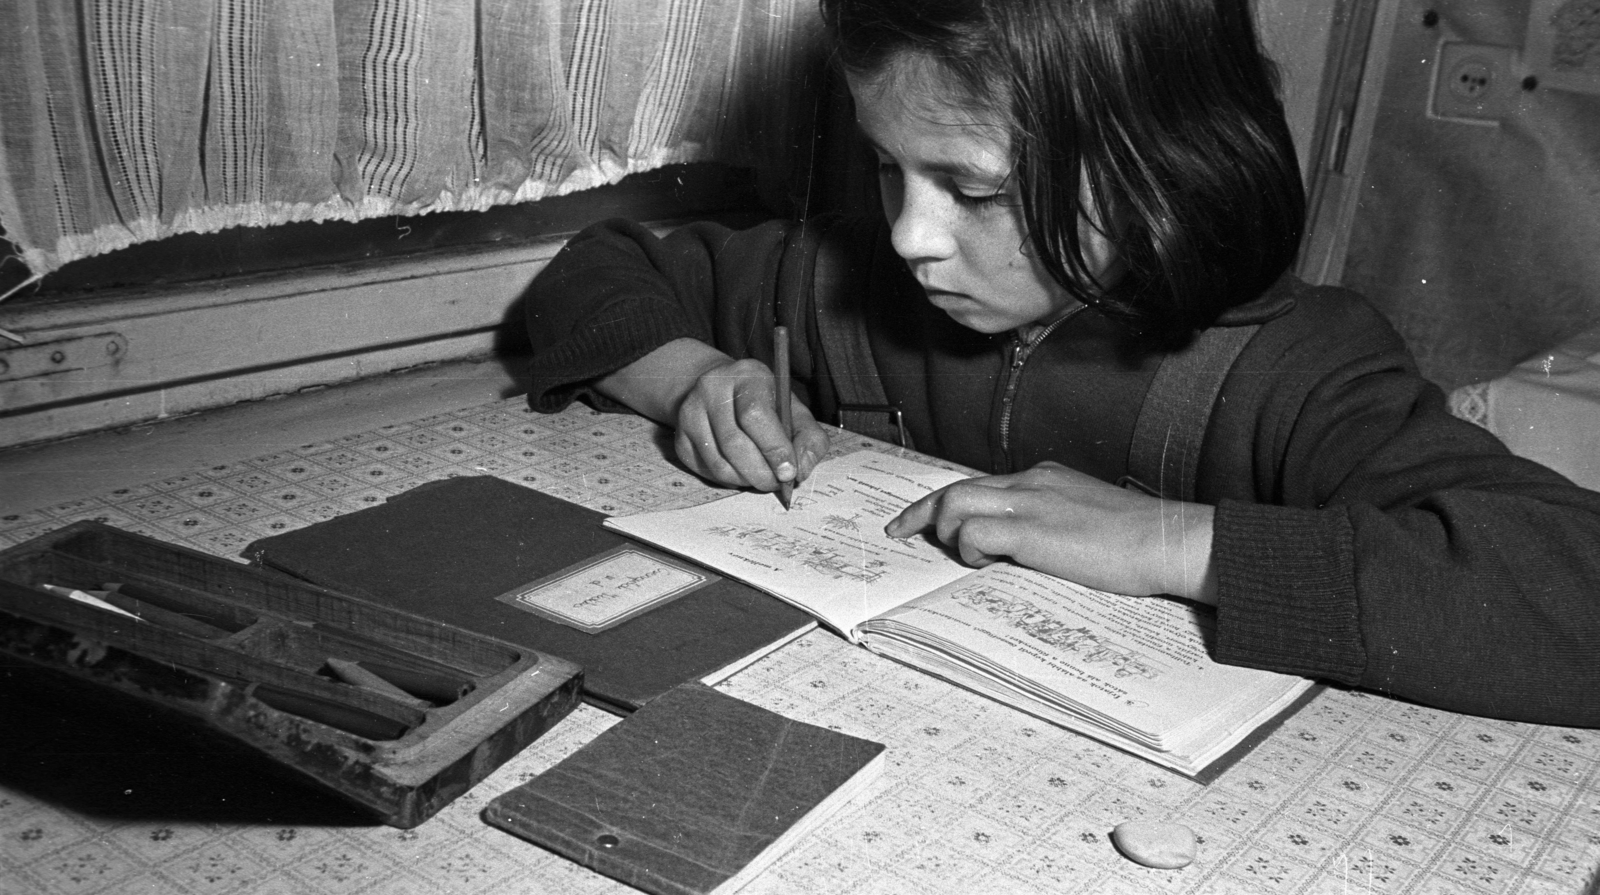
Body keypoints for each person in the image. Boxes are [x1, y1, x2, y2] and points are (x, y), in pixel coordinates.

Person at [525, 0, 1600, 724]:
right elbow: (595, 272)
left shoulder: (1298, 369)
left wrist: (1181, 541)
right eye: (888, 169)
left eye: (974, 189)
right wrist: (691, 379)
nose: (909, 236)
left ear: (1155, 161)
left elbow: (1574, 585)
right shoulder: (840, 283)